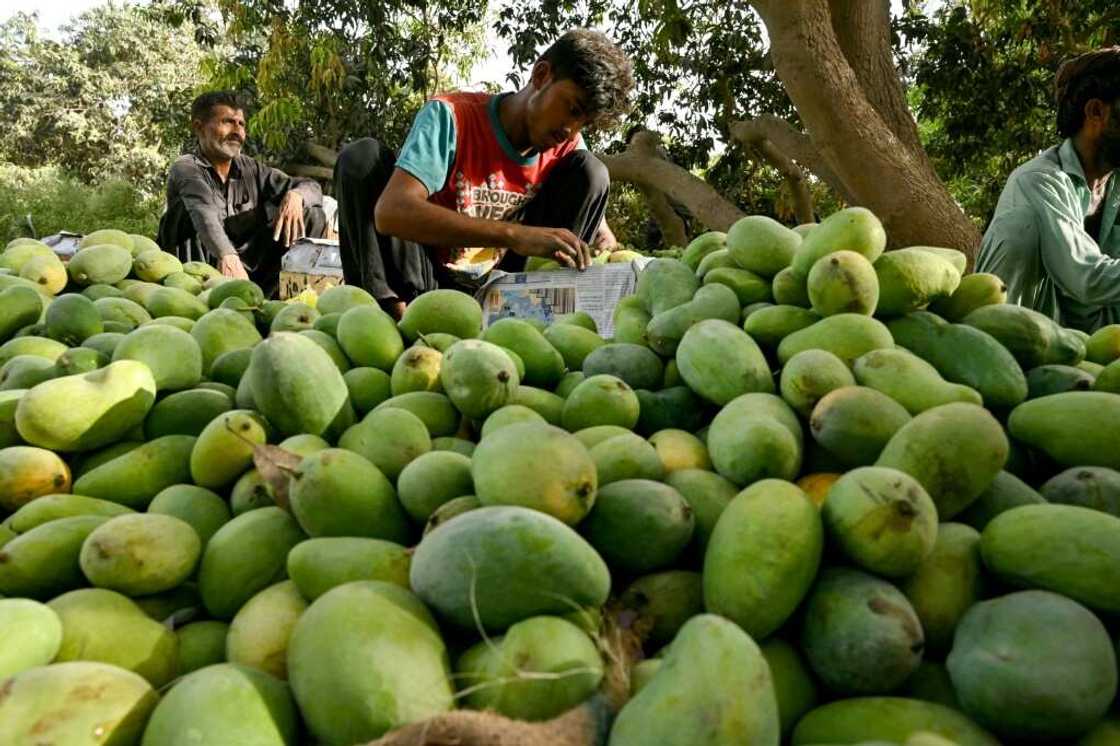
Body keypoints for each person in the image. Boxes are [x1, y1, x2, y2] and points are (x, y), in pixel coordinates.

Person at [333, 29, 633, 318]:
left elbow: (587, 188)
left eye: (584, 123)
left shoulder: (566, 144)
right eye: (572, 108)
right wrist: (514, 235)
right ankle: (392, 318)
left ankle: (539, 318)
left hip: (503, 289)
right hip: (426, 283)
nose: (571, 130)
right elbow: (391, 212)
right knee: (362, 158)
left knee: (592, 171)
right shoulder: (452, 116)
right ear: (541, 75)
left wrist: (602, 233)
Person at [977, 47, 1120, 332]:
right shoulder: (1039, 180)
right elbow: (1087, 277)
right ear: (1096, 112)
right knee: (1022, 226)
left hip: (1099, 347)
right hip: (1029, 336)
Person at [158, 91, 329, 298]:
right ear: (199, 127)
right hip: (203, 269)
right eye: (227, 122)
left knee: (311, 212)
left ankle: (279, 300)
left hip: (250, 268)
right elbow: (204, 214)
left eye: (241, 124)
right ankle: (197, 300)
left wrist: (297, 195)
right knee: (186, 213)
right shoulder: (186, 167)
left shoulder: (251, 168)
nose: (237, 131)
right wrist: (226, 255)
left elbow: (310, 186)